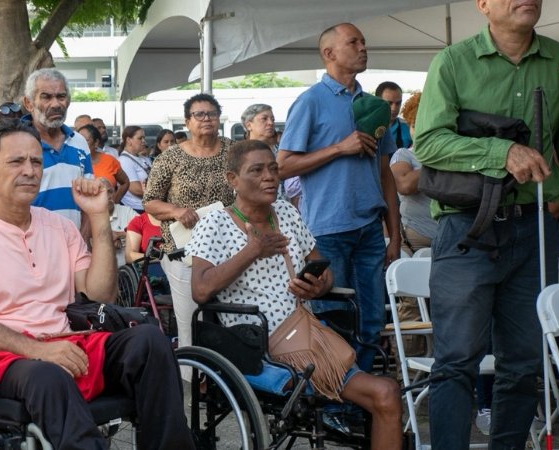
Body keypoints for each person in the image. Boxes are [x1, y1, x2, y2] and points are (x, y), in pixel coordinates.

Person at [0, 119, 194, 450]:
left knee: (149, 341)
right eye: (16, 161)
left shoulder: (60, 228)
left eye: (36, 161)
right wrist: (40, 351)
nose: (30, 170)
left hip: (65, 343)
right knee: (48, 374)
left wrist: (99, 218)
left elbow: (101, 295)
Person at [413, 1, 559, 447]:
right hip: (466, 229)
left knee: (524, 363)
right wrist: (503, 154)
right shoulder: (453, 61)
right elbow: (429, 143)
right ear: (482, 4)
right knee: (456, 361)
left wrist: (558, 192)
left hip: (533, 226)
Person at [187, 140, 402, 449]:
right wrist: (252, 251)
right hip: (254, 347)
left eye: (273, 169)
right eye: (257, 170)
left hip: (306, 338)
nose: (270, 177)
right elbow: (201, 289)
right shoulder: (214, 224)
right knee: (372, 390)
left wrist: (320, 285)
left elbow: (321, 269)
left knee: (387, 393)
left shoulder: (286, 213)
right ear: (232, 179)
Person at [276, 23, 400, 372]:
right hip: (327, 231)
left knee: (372, 321)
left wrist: (396, 232)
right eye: (353, 42)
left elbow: (385, 172)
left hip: (370, 230)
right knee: (334, 321)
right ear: (329, 54)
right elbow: (282, 166)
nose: (363, 47)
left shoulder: (374, 105)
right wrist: (339, 148)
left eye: (364, 41)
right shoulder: (310, 102)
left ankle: (353, 403)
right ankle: (334, 402)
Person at [144, 92, 236, 352]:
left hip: (229, 246)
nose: (206, 119)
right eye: (199, 114)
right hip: (183, 250)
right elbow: (150, 201)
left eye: (212, 113)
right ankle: (193, 381)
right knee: (190, 320)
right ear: (187, 121)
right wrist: (175, 210)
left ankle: (234, 378)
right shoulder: (170, 157)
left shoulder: (234, 151)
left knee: (231, 316)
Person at [21, 68, 94, 229]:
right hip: (30, 245)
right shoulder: (16, 143)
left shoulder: (79, 142)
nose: (55, 104)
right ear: (29, 103)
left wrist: (81, 243)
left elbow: (89, 202)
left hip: (74, 246)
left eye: (61, 96)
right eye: (46, 97)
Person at [388, 92, 435, 255]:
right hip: (415, 242)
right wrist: (439, 161)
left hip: (452, 239)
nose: (418, 131)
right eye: (414, 125)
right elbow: (404, 185)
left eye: (425, 125)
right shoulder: (404, 154)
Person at [78, 123, 129, 203]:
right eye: (78, 140)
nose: (80, 144)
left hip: (106, 212)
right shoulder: (72, 162)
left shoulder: (109, 160)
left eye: (85, 140)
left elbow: (125, 182)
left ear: (96, 143)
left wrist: (114, 201)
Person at [118, 126, 152, 213]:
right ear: (129, 140)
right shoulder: (124, 161)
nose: (144, 141)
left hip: (149, 205)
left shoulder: (144, 158)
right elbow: (136, 189)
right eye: (140, 138)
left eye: (144, 138)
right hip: (136, 209)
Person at [376, 81, 412, 150]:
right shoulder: (366, 127)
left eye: (398, 103)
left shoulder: (408, 127)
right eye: (389, 103)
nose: (394, 108)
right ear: (377, 102)